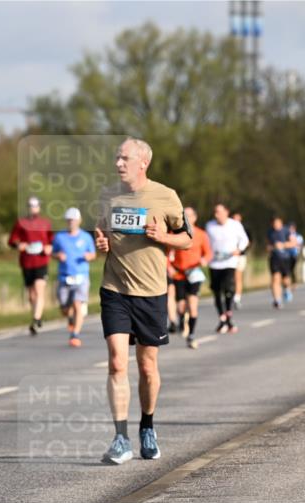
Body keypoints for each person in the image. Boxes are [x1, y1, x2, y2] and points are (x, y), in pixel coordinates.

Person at [94, 137, 192, 464]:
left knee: (147, 367)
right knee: (117, 361)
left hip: (151, 293)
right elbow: (100, 232)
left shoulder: (165, 196)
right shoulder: (108, 195)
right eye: (117, 158)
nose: (118, 163)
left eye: (125, 158)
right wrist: (101, 242)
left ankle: (147, 426)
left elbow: (187, 239)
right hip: (115, 290)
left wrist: (162, 236)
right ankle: (120, 437)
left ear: (142, 163)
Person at [51, 206, 96, 347]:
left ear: (79, 221)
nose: (71, 222)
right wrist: (58, 256)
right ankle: (70, 318)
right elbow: (52, 253)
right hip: (64, 276)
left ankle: (75, 334)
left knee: (78, 303)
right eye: (69, 220)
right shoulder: (59, 237)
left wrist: (89, 256)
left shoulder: (86, 237)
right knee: (64, 307)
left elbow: (93, 253)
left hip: (81, 276)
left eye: (74, 220)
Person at [8, 196, 53, 335]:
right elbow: (12, 240)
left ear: (39, 207)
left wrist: (49, 247)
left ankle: (36, 318)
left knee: (39, 290)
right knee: (31, 295)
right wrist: (19, 245)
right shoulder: (21, 223)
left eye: (35, 206)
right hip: (27, 262)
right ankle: (36, 314)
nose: (33, 208)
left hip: (41, 261)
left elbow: (52, 240)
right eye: (31, 206)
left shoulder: (45, 223)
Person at [167, 206, 210, 348]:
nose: (187, 218)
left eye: (190, 215)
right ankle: (181, 318)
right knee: (181, 305)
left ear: (195, 218)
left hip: (194, 272)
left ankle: (191, 334)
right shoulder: (175, 233)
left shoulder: (201, 234)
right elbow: (167, 253)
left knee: (192, 304)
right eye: (185, 215)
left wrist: (205, 260)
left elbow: (208, 253)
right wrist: (169, 267)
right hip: (179, 273)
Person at [205, 204, 248, 336]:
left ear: (226, 212)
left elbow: (244, 240)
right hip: (215, 263)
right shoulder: (209, 226)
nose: (218, 215)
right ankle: (222, 318)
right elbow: (206, 242)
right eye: (215, 212)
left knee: (229, 288)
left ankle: (229, 313)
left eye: (220, 212)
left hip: (230, 261)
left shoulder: (235, 224)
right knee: (217, 291)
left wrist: (239, 250)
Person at [267, 217, 294, 308]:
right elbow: (268, 245)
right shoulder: (270, 232)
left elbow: (294, 243)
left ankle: (287, 289)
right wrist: (271, 248)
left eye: (277, 223)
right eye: (274, 224)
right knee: (275, 278)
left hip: (285, 258)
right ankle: (277, 300)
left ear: (281, 223)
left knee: (286, 279)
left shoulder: (286, 231)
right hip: (274, 258)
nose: (276, 225)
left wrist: (283, 245)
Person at [232, 212, 251, 309]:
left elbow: (248, 242)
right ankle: (231, 295)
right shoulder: (228, 228)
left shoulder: (244, 228)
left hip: (240, 256)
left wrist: (240, 249)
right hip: (229, 257)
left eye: (238, 218)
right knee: (230, 278)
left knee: (238, 277)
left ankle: (237, 298)